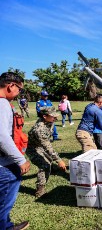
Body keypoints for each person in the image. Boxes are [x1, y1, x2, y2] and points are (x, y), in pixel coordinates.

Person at [0, 72, 31, 230]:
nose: (20, 93)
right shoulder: (2, 103)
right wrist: (21, 160)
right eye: (20, 89)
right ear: (10, 86)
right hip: (4, 165)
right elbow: (2, 136)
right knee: (4, 201)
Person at [27, 107, 67, 198]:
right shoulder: (39, 129)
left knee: (48, 161)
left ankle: (52, 168)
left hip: (40, 146)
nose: (55, 118)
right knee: (45, 165)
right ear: (44, 116)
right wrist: (59, 160)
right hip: (32, 149)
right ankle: (40, 191)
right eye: (53, 116)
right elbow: (47, 146)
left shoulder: (49, 122)